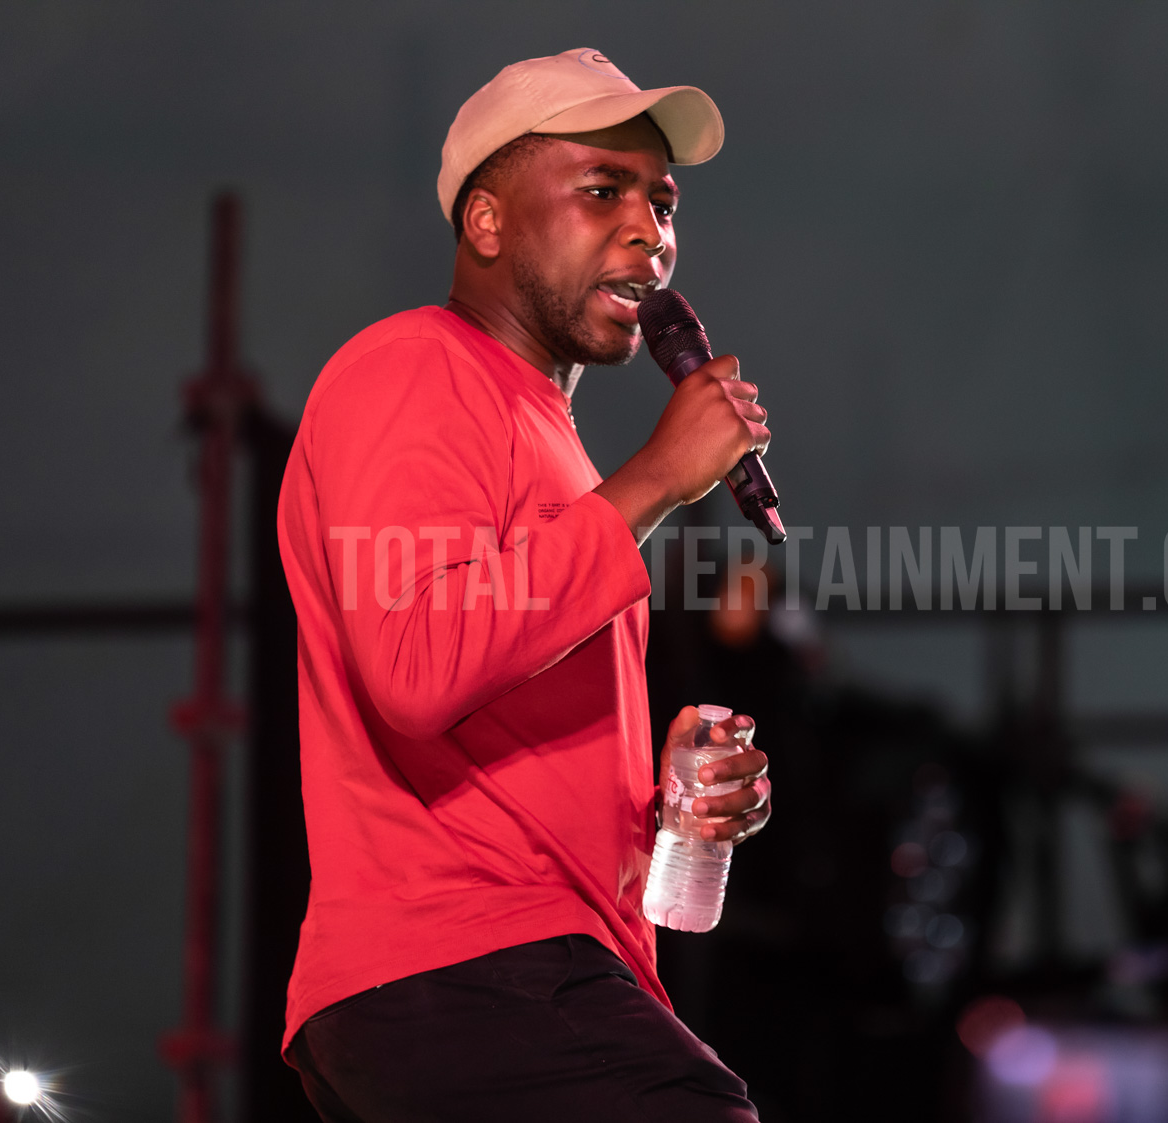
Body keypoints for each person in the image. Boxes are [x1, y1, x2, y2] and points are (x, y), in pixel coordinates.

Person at [275, 48, 773, 1121]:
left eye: (662, 202)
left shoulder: (547, 437)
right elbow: (417, 667)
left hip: (532, 961)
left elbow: (497, 723)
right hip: (459, 963)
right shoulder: (412, 366)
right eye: (603, 190)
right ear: (488, 222)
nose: (649, 231)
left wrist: (663, 810)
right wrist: (653, 478)